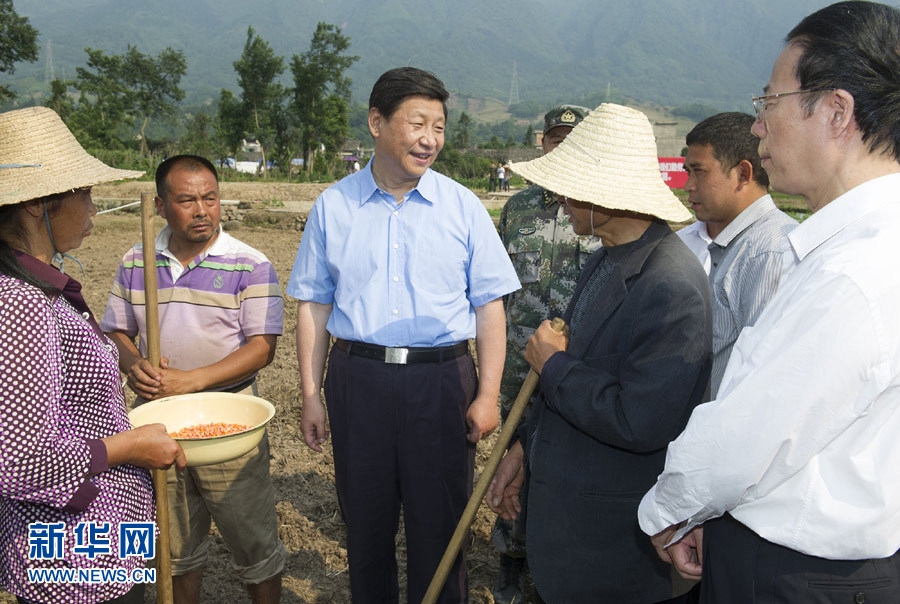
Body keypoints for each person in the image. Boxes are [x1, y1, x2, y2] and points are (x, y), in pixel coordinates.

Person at [639, 3, 900, 602]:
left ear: (836, 112)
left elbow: (749, 438)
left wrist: (669, 507)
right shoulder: (864, 244)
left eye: (768, 104)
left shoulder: (853, 272)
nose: (757, 128)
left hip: (794, 573)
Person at [287, 66, 520, 604]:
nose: (430, 139)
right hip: (358, 378)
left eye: (439, 127)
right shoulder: (334, 206)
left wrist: (486, 396)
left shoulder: (463, 207)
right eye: (418, 124)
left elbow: (490, 308)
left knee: (440, 531)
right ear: (376, 122)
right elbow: (314, 306)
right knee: (364, 528)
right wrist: (310, 393)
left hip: (440, 383)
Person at [487, 103, 712, 602]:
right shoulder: (606, 260)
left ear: (605, 195)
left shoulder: (670, 286)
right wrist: (525, 448)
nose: (562, 200)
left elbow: (640, 420)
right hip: (569, 539)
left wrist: (554, 366)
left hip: (614, 558)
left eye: (571, 187)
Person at [0, 106, 186, 604]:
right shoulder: (19, 303)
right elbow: (21, 462)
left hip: (106, 528)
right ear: (38, 204)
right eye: (84, 195)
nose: (93, 211)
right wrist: (131, 447)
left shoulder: (41, 290)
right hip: (71, 553)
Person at [101, 155, 286, 604]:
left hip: (229, 417)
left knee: (253, 541)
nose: (202, 210)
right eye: (187, 200)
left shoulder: (250, 263)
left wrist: (192, 381)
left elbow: (262, 348)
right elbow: (117, 331)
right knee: (174, 546)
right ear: (162, 206)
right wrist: (134, 363)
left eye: (210, 198)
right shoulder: (136, 261)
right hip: (160, 421)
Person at [492, 103, 599, 604]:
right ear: (543, 143)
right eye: (556, 140)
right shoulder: (518, 210)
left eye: (573, 141)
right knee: (510, 467)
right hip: (518, 370)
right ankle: (510, 561)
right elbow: (494, 290)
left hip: (575, 371)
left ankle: (551, 562)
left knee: (560, 468)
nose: (563, 149)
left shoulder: (602, 208)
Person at [681, 112, 797, 397]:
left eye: (699, 171)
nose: (688, 186)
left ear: (743, 174)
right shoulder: (736, 246)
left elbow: (760, 379)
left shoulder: (767, 252)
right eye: (688, 172)